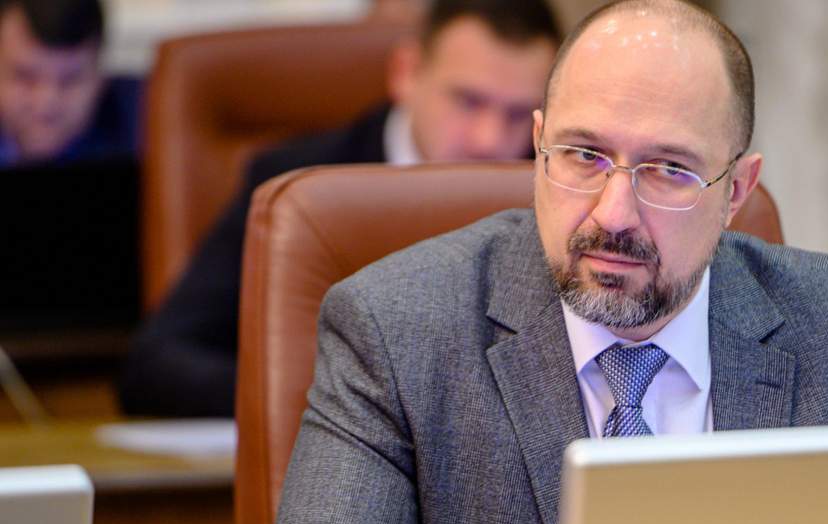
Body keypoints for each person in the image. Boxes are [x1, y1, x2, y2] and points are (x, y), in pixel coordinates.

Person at [263, 0, 828, 524]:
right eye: (584, 155)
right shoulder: (398, 324)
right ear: (539, 146)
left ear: (736, 191)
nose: (614, 214)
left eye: (670, 170)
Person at [117, 0, 560, 418]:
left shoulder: (554, 187)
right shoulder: (299, 184)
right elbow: (157, 363)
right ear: (406, 73)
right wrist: (335, 399)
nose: (489, 139)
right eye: (468, 101)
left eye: (519, 114)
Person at [0, 0, 139, 165]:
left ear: (101, 77)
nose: (46, 104)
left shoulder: (147, 119)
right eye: (25, 77)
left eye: (70, 80)